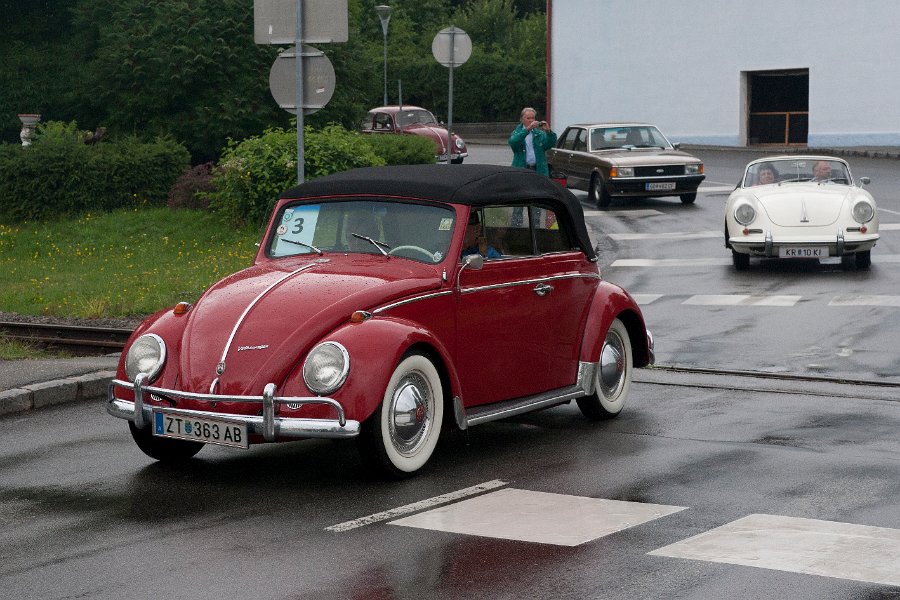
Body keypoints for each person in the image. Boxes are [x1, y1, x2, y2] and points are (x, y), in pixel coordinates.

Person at [509, 107, 557, 176]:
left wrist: (548, 132)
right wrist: (527, 129)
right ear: (522, 120)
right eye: (528, 118)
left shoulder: (539, 134)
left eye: (533, 118)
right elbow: (513, 142)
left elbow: (549, 144)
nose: (531, 120)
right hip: (521, 170)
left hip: (538, 170)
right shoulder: (516, 132)